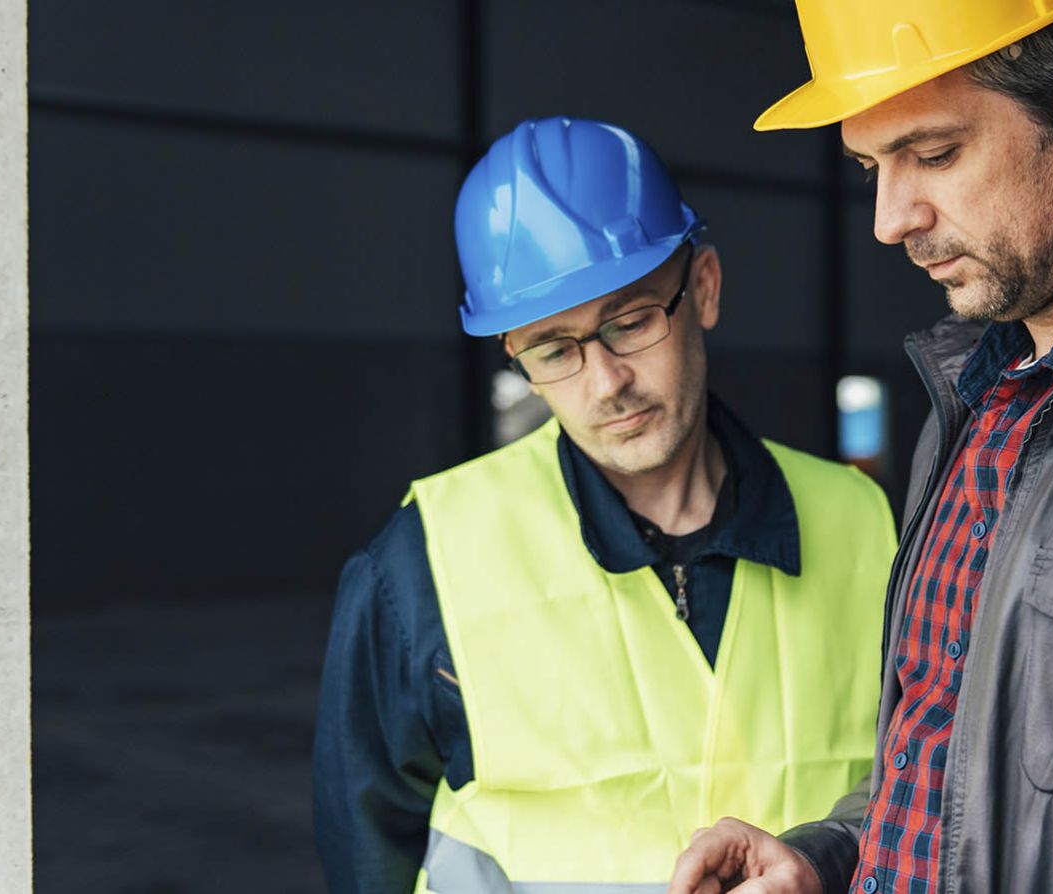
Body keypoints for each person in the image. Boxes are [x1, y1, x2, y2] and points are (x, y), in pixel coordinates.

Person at [312, 116, 898, 893]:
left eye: (630, 323)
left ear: (706, 289)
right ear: (515, 356)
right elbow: (366, 854)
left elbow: (932, 790)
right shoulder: (423, 561)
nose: (605, 383)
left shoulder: (865, 525)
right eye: (554, 350)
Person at [669, 2, 1053, 892]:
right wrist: (832, 856)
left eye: (936, 153)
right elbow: (952, 765)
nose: (887, 218)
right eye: (871, 166)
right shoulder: (972, 406)